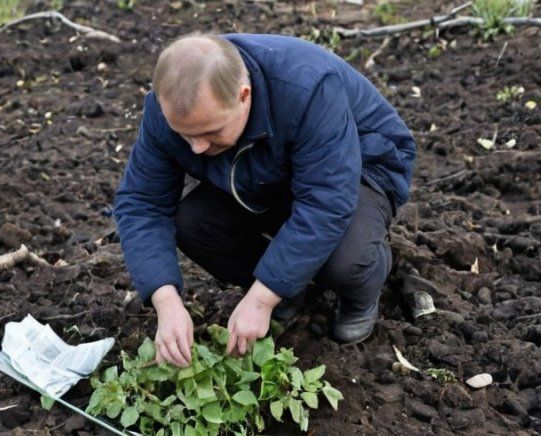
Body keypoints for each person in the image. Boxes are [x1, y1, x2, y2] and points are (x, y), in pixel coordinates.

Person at [112, 33, 416, 368]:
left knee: (344, 262)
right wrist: (166, 302)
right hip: (263, 172)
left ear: (244, 96)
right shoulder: (167, 108)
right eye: (185, 135)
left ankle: (363, 287)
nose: (196, 148)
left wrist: (261, 297)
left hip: (361, 166)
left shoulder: (307, 89)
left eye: (210, 132)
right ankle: (292, 290)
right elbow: (142, 203)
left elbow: (326, 203)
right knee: (192, 223)